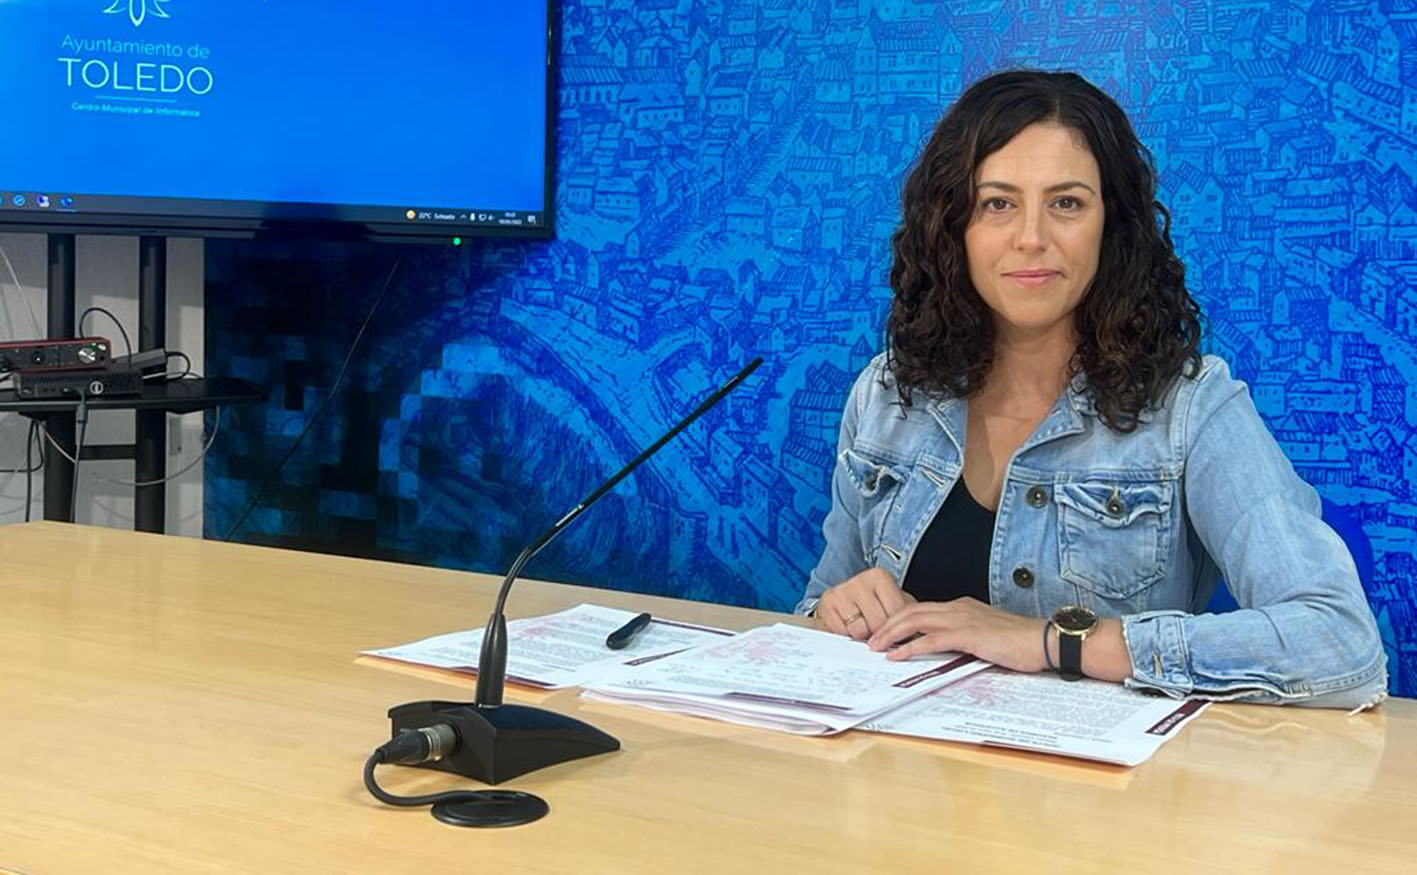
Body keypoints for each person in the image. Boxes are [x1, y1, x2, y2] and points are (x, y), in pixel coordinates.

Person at [797, 69, 1387, 710]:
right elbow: (820, 609)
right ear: (954, 226)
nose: (1031, 237)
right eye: (998, 203)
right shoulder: (887, 394)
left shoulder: (1190, 409)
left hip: (1103, 800)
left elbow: (1340, 644)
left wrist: (1054, 643)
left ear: (1113, 227)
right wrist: (834, 611)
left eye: (1067, 203)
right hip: (902, 786)